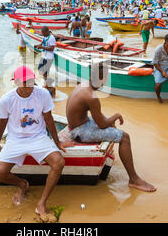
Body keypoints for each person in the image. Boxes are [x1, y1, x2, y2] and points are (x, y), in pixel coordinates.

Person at [65, 61, 156, 192]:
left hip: (77, 125)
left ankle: (112, 156)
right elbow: (102, 124)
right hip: (79, 132)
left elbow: (99, 117)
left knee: (110, 123)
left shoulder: (83, 85)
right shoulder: (92, 97)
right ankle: (134, 179)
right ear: (104, 78)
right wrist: (116, 115)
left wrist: (110, 120)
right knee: (125, 137)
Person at [0, 66, 66, 217]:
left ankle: (42, 202)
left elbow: (49, 119)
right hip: (15, 139)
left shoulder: (43, 94)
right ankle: (22, 184)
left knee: (59, 162)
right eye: (24, 83)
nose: (28, 87)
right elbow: (2, 123)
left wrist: (57, 142)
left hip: (38, 137)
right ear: (16, 83)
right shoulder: (7, 99)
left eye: (30, 82)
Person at [35, 26, 56, 98]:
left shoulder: (52, 38)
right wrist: (38, 45)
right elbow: (42, 43)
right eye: (42, 32)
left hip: (49, 57)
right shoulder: (44, 37)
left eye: (43, 32)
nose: (42, 34)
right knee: (40, 69)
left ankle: (48, 84)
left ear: (47, 31)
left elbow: (51, 48)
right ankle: (46, 82)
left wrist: (42, 47)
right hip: (44, 56)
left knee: (45, 71)